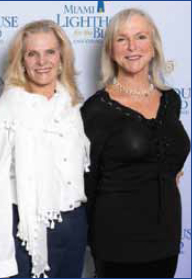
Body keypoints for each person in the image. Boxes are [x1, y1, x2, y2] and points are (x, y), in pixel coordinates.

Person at [81, 8, 191, 278]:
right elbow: (87, 183)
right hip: (117, 242)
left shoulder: (171, 101)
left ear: (153, 46)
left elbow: (164, 155)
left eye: (140, 37)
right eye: (122, 39)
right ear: (111, 49)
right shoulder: (97, 109)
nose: (132, 47)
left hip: (166, 236)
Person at [0, 20, 90, 278]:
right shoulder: (5, 110)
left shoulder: (71, 104)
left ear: (61, 57)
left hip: (75, 225)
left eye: (50, 52)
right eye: (32, 53)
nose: (42, 61)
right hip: (27, 229)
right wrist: (0, 260)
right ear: (21, 61)